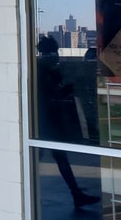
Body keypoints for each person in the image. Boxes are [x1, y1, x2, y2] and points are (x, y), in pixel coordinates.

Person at [35, 35, 100, 209]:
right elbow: (52, 95)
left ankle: (75, 194)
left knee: (46, 158)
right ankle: (75, 194)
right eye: (54, 52)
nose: (56, 56)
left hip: (42, 121)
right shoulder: (45, 70)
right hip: (47, 122)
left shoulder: (40, 68)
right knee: (56, 158)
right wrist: (68, 88)